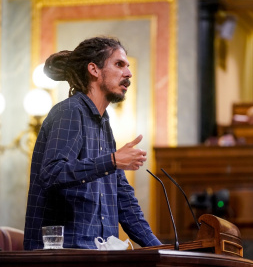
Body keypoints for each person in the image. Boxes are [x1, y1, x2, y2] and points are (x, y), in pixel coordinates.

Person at [23, 36, 162, 250]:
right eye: (119, 64)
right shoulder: (70, 111)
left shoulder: (104, 124)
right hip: (63, 257)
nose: (128, 73)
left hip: (100, 255)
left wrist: (161, 249)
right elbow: (52, 173)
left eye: (128, 66)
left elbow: (124, 201)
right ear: (94, 70)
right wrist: (112, 160)